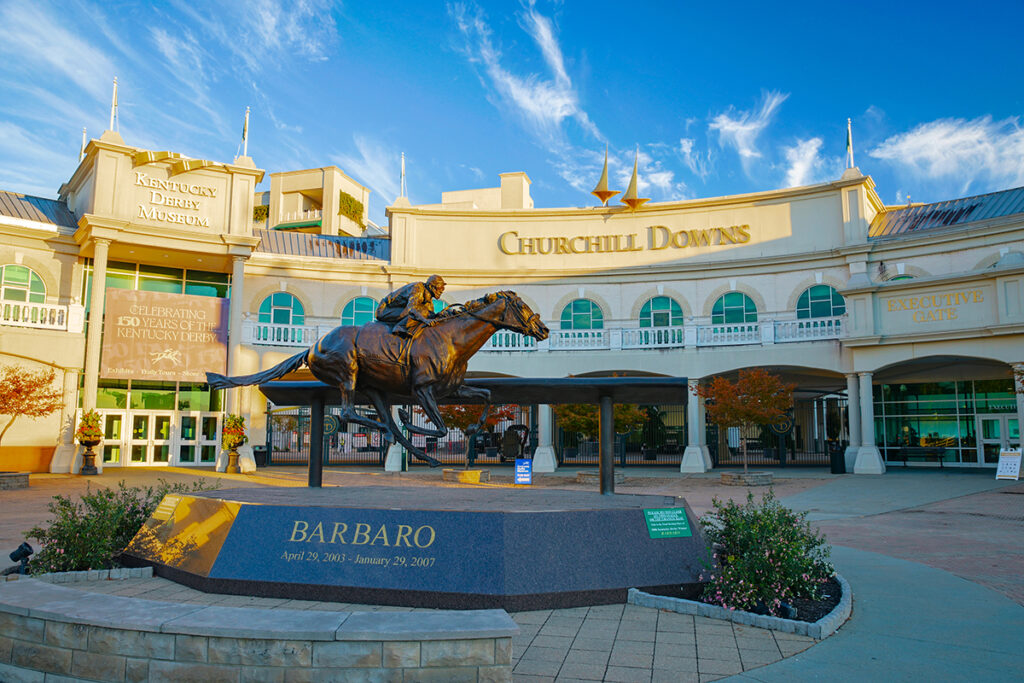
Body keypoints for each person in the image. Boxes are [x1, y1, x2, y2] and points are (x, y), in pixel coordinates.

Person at [375, 275, 446, 338]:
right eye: (440, 288)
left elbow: (431, 314)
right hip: (384, 310)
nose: (442, 291)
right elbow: (411, 309)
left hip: (398, 309)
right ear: (431, 286)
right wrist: (425, 320)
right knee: (420, 311)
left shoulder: (427, 296)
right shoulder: (418, 289)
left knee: (425, 312)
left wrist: (440, 315)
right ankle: (399, 327)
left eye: (443, 288)